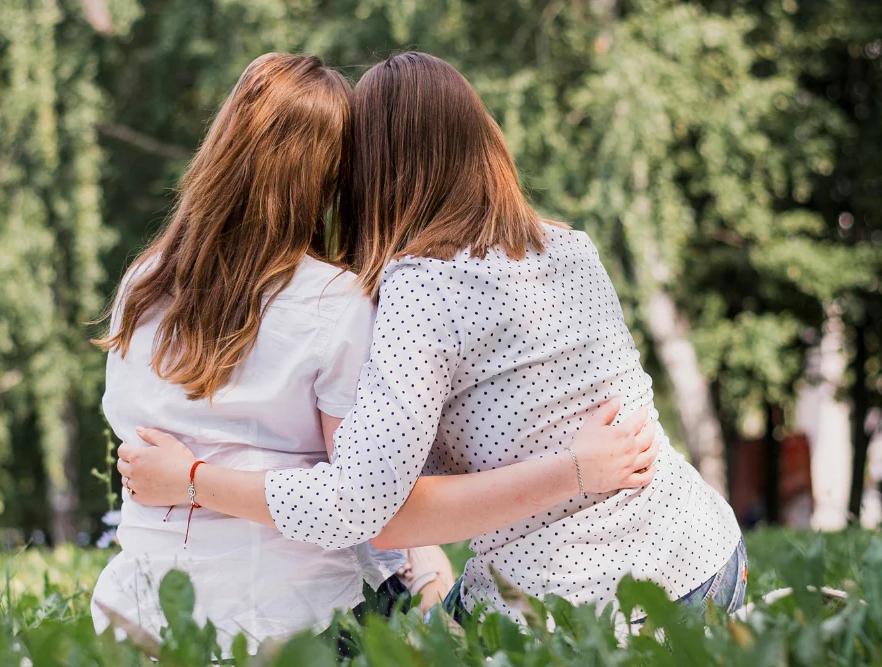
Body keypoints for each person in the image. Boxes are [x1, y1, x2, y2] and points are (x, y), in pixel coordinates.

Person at [119, 51, 744, 627]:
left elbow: (364, 509)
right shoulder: (568, 246)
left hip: (578, 604)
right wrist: (568, 469)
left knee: (415, 640)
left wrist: (192, 477)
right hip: (705, 553)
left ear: (374, 172)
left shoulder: (418, 291)